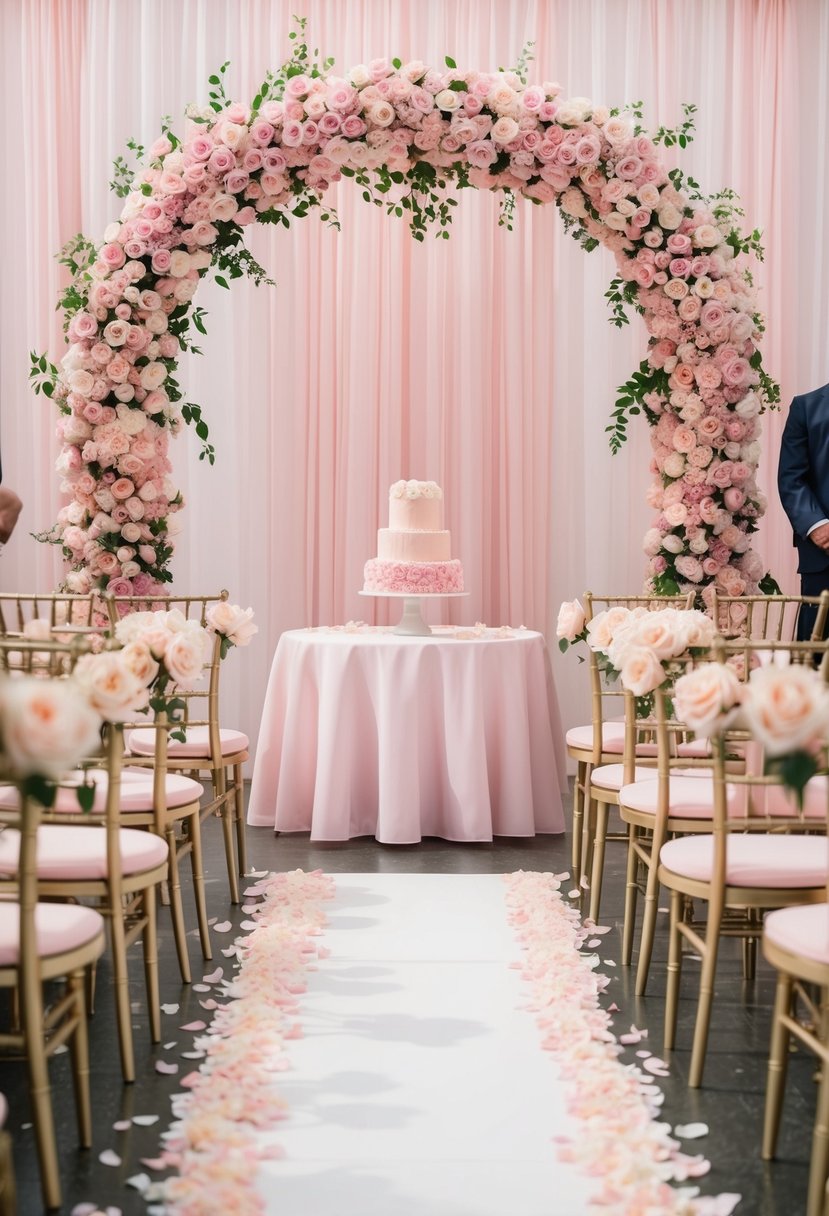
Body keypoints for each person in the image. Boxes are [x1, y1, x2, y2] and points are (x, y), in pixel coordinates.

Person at [777, 381, 829, 640]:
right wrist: (817, 525)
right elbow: (791, 478)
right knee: (815, 655)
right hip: (824, 556)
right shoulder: (806, 407)